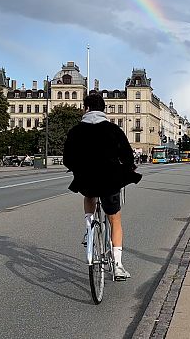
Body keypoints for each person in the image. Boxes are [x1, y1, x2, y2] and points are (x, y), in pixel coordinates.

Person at [64, 93, 142, 280]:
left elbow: (67, 158)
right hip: (109, 180)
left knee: (89, 194)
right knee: (115, 219)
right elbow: (127, 156)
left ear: (86, 108)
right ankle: (118, 265)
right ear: (104, 109)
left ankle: (89, 226)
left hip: (86, 180)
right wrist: (129, 167)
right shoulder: (113, 130)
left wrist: (77, 168)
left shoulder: (76, 131)